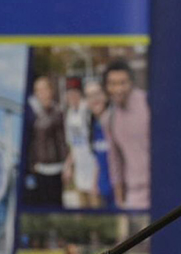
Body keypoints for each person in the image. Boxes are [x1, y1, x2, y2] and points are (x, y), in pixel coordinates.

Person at [102, 59, 150, 210]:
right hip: (135, 193)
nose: (118, 89)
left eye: (123, 82)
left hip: (162, 188)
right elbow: (115, 159)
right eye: (113, 83)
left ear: (131, 82)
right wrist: (119, 197)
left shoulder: (148, 103)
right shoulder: (109, 118)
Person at [25, 75, 68, 207]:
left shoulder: (58, 112)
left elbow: (62, 140)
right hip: (39, 170)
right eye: (38, 90)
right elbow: (31, 142)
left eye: (44, 89)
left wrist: (66, 164)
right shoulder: (33, 113)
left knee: (55, 203)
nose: (41, 93)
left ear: (51, 90)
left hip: (56, 169)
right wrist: (32, 165)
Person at [64, 77, 102, 209]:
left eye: (75, 93)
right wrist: (68, 166)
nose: (72, 97)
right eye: (69, 94)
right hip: (80, 172)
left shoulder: (87, 111)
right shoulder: (69, 113)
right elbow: (73, 144)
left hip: (93, 171)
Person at [85, 79, 116, 207]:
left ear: (105, 95)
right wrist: (94, 184)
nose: (94, 99)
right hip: (104, 191)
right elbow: (99, 159)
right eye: (89, 96)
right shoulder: (94, 126)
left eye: (97, 93)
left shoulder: (115, 121)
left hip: (119, 192)